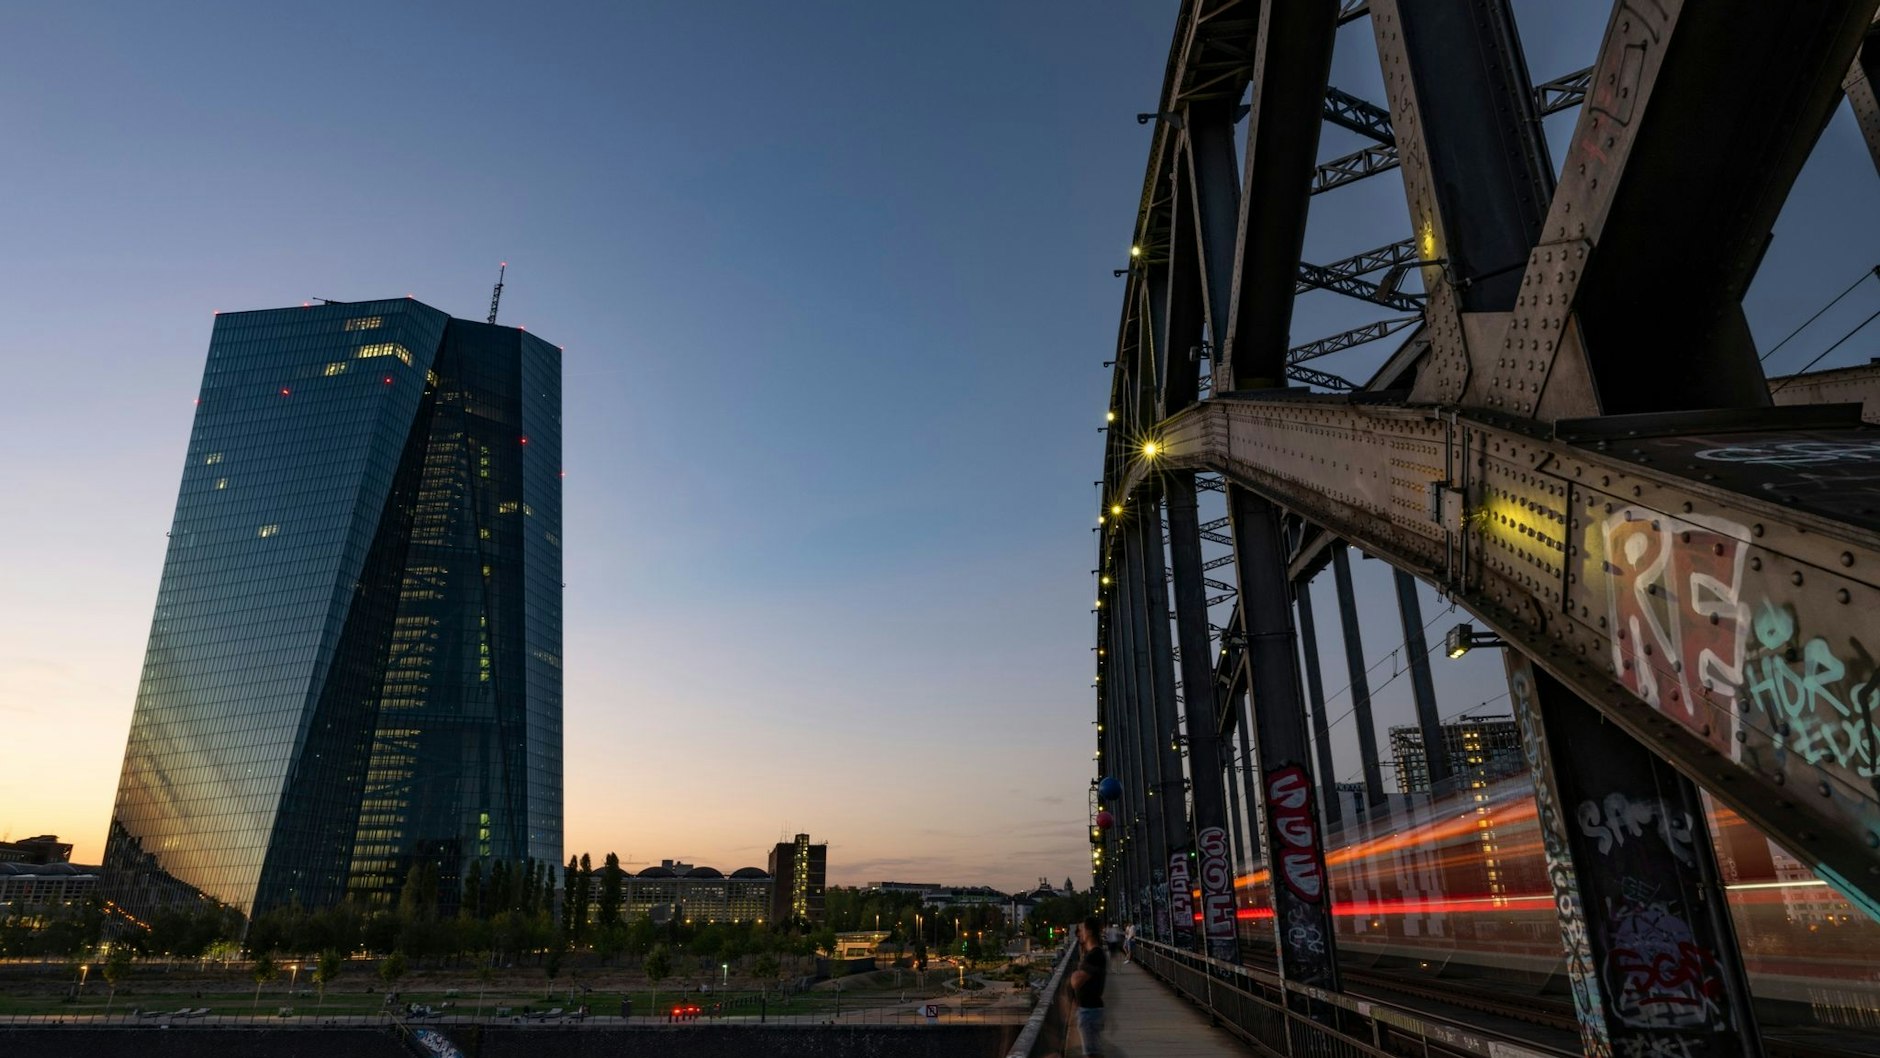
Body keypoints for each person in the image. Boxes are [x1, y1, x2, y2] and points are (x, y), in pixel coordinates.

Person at [1069, 915, 1108, 1058]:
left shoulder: (1095, 955)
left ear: (1089, 931)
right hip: (1089, 1010)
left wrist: (1074, 975)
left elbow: (1076, 981)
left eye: (1082, 929)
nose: (1079, 933)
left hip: (1090, 1011)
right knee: (1093, 1051)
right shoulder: (1092, 954)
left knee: (1092, 1053)